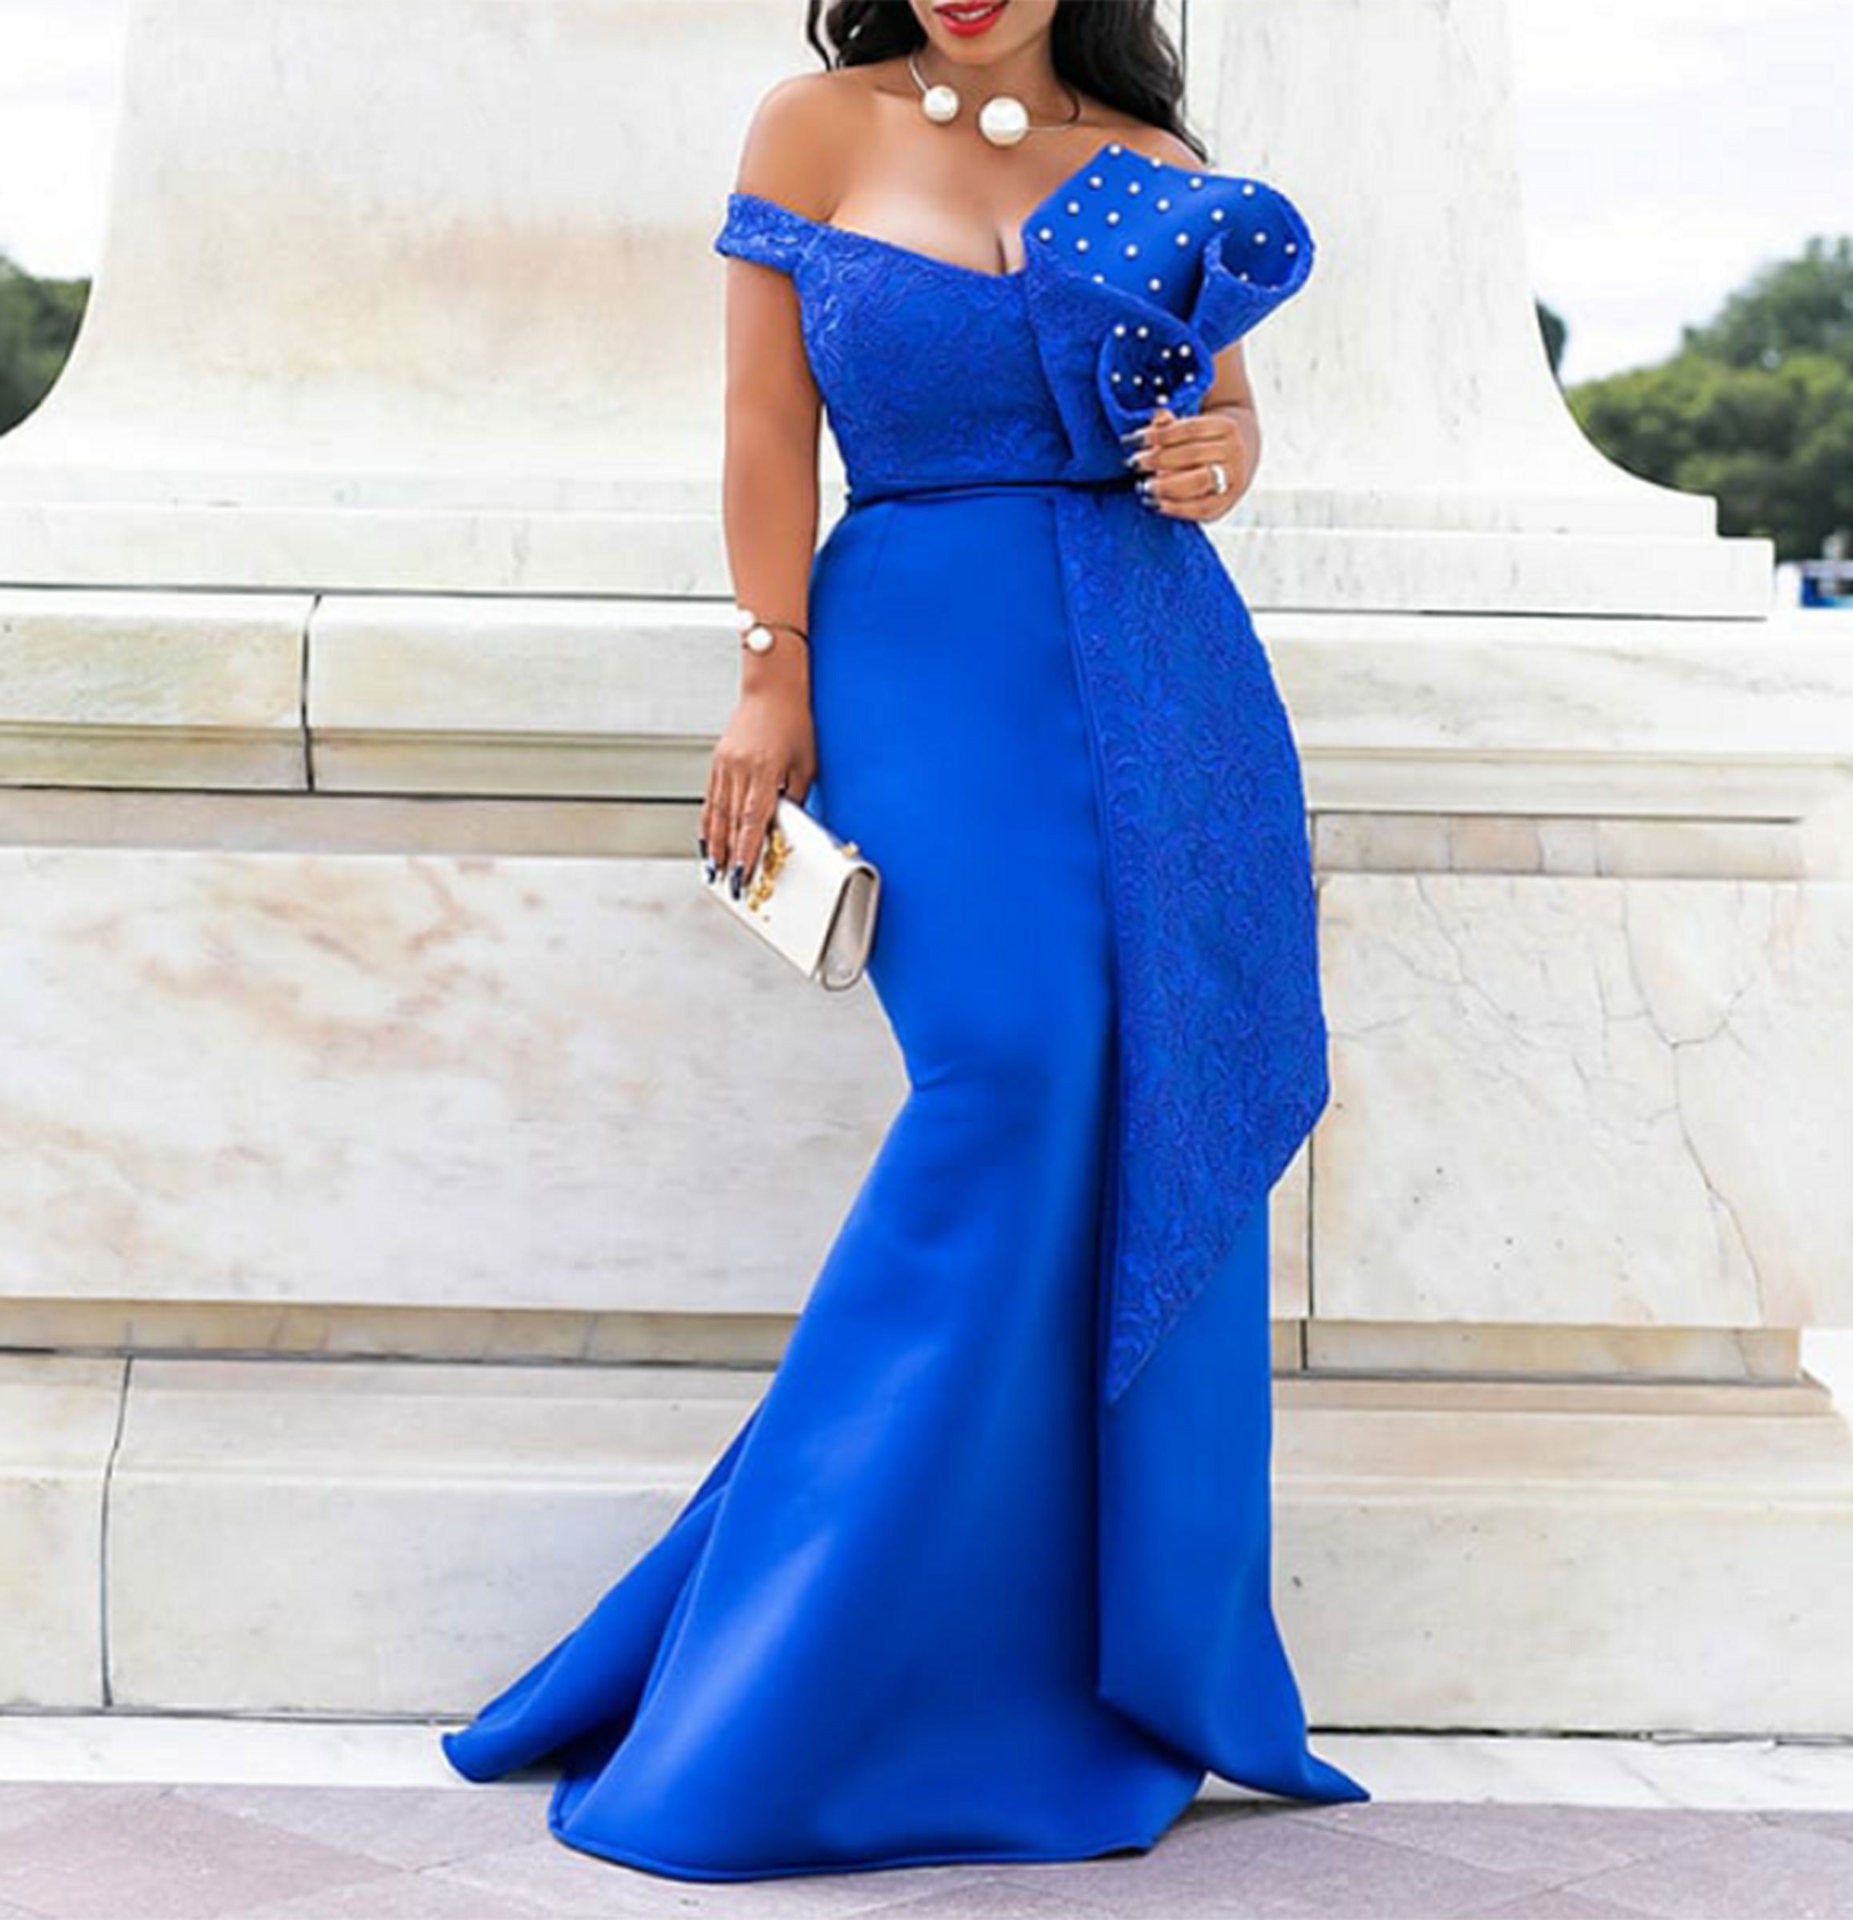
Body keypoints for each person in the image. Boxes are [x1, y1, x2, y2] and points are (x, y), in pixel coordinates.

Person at [439, 0, 1369, 1880]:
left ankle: (1088, 1668)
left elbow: (1227, 412)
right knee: (1011, 1083)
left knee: (1154, 1117)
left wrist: (1218, 456)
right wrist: (768, 679)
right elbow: (767, 421)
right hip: (915, 649)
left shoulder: (1159, 164)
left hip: (1160, 673)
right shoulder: (812, 125)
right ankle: (795, 1673)